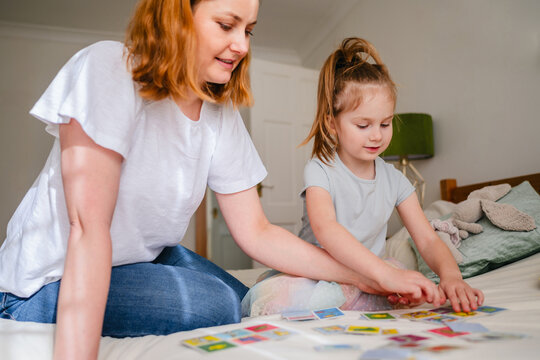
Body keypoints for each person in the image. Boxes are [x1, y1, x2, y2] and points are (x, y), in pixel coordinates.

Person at [0, 2, 446, 359]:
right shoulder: (108, 69)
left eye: (248, 30)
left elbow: (258, 232)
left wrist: (369, 278)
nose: (242, 45)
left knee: (255, 298)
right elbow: (88, 229)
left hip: (146, 260)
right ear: (177, 16)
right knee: (217, 305)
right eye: (227, 25)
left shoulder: (218, 113)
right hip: (45, 280)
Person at [241, 37, 484, 317]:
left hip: (371, 272)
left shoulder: (396, 181)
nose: (377, 135)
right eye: (363, 125)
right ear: (332, 124)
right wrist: (382, 274)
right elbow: (328, 231)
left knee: (412, 283)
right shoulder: (320, 169)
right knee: (269, 299)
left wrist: (451, 276)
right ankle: (363, 294)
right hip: (320, 274)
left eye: (385, 123)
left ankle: (368, 294)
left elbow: (428, 240)